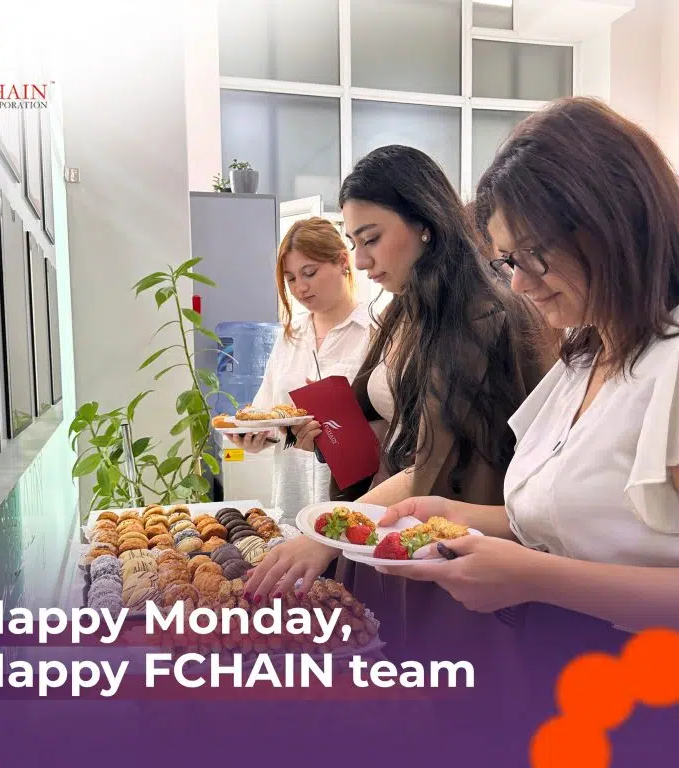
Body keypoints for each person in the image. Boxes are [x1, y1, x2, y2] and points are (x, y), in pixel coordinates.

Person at [373, 100, 679, 745]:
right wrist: (456, 516)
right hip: (563, 675)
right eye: (508, 261)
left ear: (612, 222)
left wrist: (531, 576)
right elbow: (581, 525)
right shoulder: (588, 353)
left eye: (533, 255)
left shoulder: (670, 368)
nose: (519, 286)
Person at [244, 146, 552, 663]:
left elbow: (436, 465)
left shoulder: (478, 320)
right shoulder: (408, 310)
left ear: (425, 224)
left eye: (372, 239)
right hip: (393, 525)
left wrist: (332, 532)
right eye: (354, 243)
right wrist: (318, 432)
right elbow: (379, 415)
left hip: (441, 542)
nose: (362, 261)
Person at [227, 217, 371, 524]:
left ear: (343, 262)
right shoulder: (289, 336)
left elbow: (394, 431)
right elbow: (267, 412)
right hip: (294, 501)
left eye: (310, 273)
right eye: (290, 278)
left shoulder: (375, 332)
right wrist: (254, 437)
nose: (300, 288)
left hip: (354, 503)